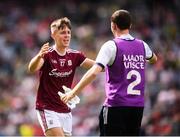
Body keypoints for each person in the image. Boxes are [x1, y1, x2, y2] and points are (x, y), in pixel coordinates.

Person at [61, 9, 157, 136]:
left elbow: (94, 72)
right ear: (130, 25)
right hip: (137, 107)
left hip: (116, 106)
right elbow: (154, 59)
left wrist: (73, 92)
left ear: (113, 25)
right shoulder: (142, 45)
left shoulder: (111, 46)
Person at [28, 17, 94, 137]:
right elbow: (32, 68)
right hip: (47, 108)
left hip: (65, 109)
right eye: (63, 32)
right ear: (53, 35)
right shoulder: (47, 54)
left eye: (68, 32)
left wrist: (114, 61)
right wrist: (38, 56)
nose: (67, 35)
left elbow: (98, 66)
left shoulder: (75, 56)